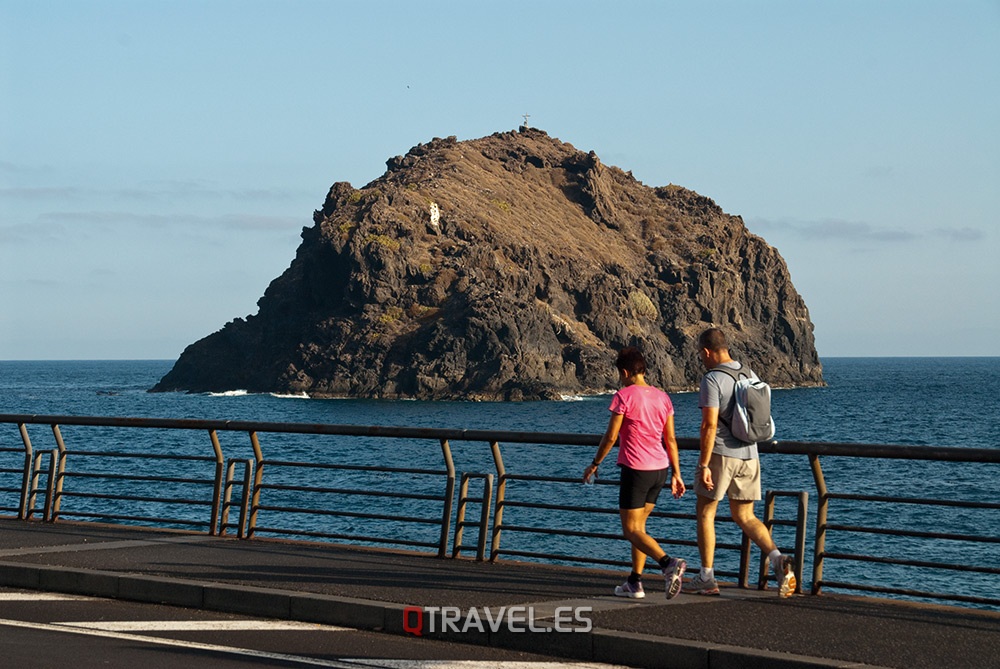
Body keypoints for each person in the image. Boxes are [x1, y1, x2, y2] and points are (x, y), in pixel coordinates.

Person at [686, 327, 796, 597]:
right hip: (750, 454)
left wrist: (703, 465)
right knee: (745, 515)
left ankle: (707, 577)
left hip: (722, 454)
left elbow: (709, 426)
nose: (702, 359)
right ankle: (778, 559)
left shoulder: (712, 379)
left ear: (707, 352)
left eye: (702, 355)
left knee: (705, 513)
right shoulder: (750, 373)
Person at [582, 347, 687, 600]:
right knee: (640, 528)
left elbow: (611, 436)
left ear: (625, 372)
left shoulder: (623, 396)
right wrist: (677, 474)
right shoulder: (663, 398)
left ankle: (668, 563)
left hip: (636, 469)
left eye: (620, 374)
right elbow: (670, 439)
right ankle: (635, 582)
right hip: (660, 470)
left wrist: (595, 463)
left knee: (630, 530)